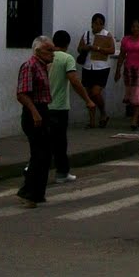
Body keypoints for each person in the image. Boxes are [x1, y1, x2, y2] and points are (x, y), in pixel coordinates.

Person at [47, 30, 95, 183]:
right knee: (60, 142)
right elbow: (74, 81)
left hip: (43, 106)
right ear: (67, 44)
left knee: (44, 140)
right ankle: (62, 173)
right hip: (59, 107)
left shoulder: (45, 57)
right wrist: (87, 99)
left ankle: (32, 168)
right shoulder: (67, 58)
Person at [16, 36, 55, 208]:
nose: (53, 54)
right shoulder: (30, 66)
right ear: (38, 51)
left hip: (43, 110)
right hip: (34, 112)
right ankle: (28, 193)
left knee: (45, 154)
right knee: (39, 154)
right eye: (49, 50)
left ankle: (37, 193)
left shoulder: (42, 67)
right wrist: (35, 113)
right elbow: (22, 94)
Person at [77, 13, 114, 128]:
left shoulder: (107, 35)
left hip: (101, 66)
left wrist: (97, 48)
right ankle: (91, 120)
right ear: (92, 23)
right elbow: (79, 48)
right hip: (88, 66)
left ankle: (103, 112)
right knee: (88, 94)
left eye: (101, 24)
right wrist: (86, 48)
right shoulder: (86, 34)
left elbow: (112, 50)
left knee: (96, 92)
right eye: (96, 23)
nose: (98, 26)